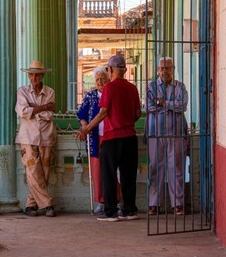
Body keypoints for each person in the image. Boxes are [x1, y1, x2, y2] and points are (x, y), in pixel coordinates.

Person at [78, 54, 141, 222]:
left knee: (109, 175)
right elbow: (137, 113)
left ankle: (111, 212)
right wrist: (126, 123)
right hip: (130, 137)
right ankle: (129, 210)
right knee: (128, 176)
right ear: (125, 70)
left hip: (112, 138)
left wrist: (87, 129)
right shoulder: (132, 88)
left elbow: (103, 112)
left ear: (110, 70)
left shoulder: (109, 88)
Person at [76, 67, 122, 217]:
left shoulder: (112, 93)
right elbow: (81, 114)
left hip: (111, 137)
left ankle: (116, 201)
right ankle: (101, 202)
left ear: (109, 79)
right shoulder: (90, 96)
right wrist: (84, 126)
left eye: (103, 78)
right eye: (97, 79)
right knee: (97, 172)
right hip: (95, 138)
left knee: (113, 171)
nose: (100, 82)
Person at [146, 57, 189, 216]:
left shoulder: (180, 86)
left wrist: (163, 103)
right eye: (162, 68)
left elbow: (182, 106)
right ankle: (153, 204)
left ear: (173, 69)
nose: (165, 71)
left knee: (176, 168)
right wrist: (171, 106)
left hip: (176, 132)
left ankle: (177, 204)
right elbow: (150, 107)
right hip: (155, 133)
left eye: (168, 68)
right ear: (158, 70)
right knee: (155, 168)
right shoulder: (151, 87)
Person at [15, 60, 56, 217]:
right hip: (27, 136)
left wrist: (33, 109)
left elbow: (49, 115)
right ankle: (47, 204)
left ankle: (31, 204)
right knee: (32, 169)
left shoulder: (50, 92)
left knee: (44, 170)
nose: (33, 78)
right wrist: (43, 107)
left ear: (41, 76)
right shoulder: (22, 92)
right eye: (31, 75)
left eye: (36, 75)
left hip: (46, 135)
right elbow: (23, 112)